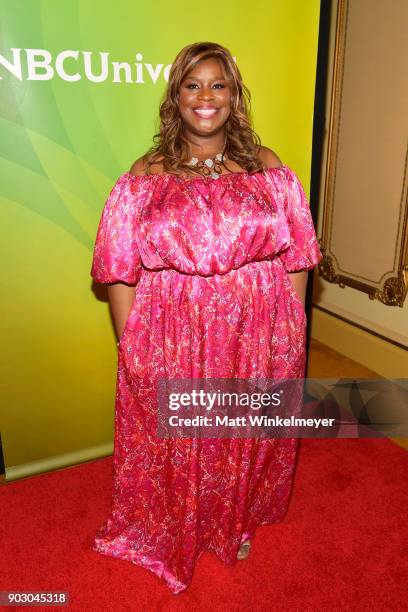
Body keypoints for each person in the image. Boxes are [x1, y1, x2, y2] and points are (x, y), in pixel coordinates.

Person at [90, 41, 322, 594]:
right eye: (193, 85)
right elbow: (119, 270)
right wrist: (133, 344)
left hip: (256, 324)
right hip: (175, 326)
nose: (206, 96)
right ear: (176, 98)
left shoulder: (267, 167)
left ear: (234, 96)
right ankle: (183, 522)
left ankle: (234, 518)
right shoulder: (145, 173)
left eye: (218, 84)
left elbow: (299, 255)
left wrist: (293, 325)